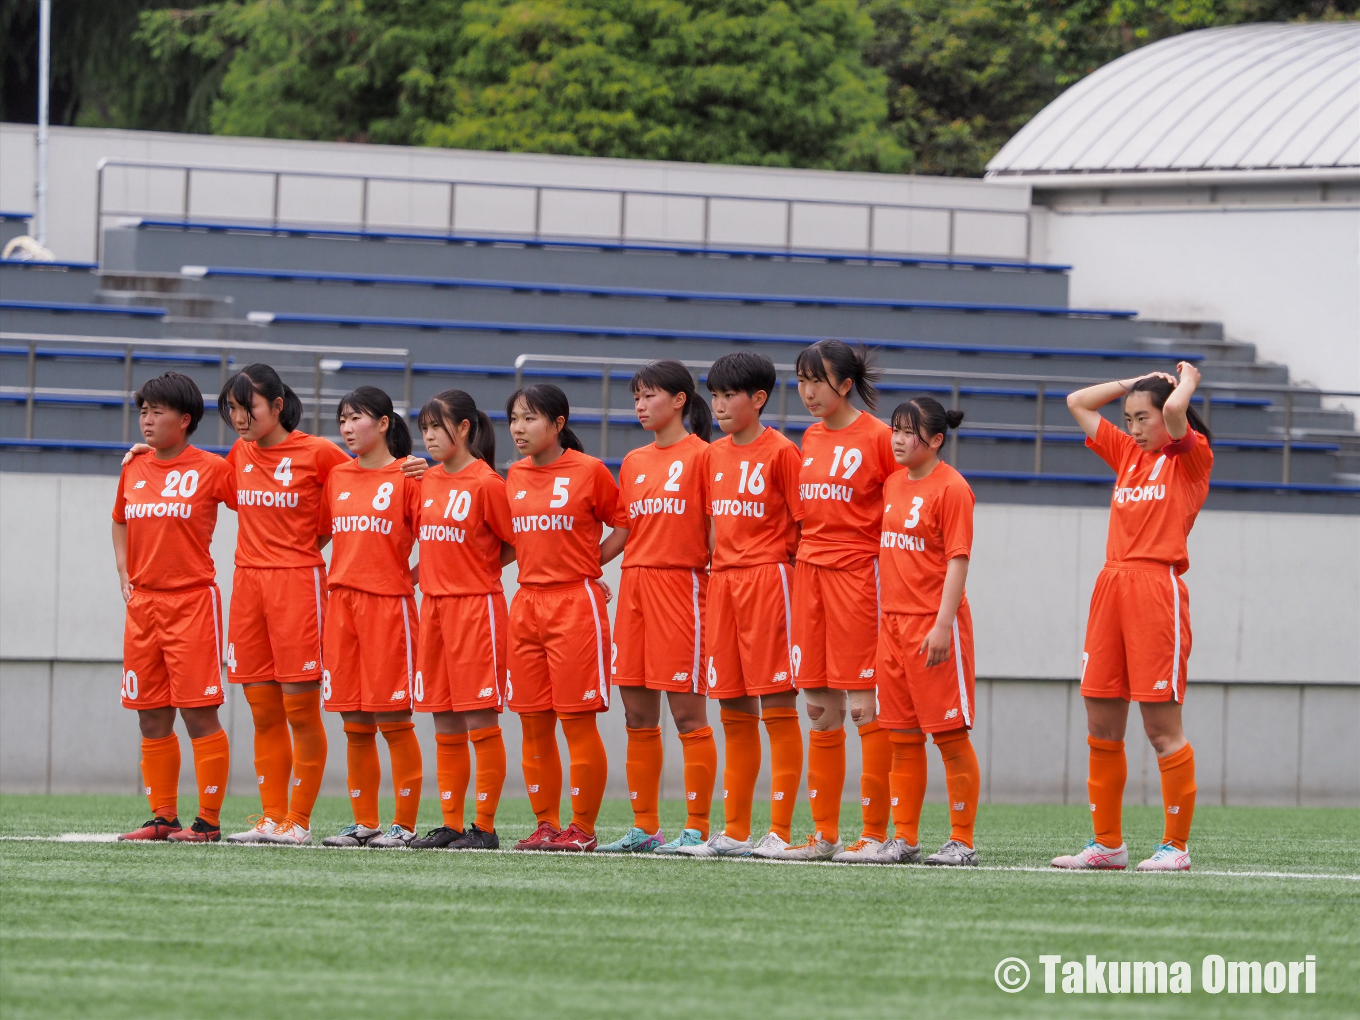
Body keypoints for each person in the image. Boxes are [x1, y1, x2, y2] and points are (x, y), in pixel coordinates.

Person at [1053, 363, 1213, 872]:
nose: (1133, 428)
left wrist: (1184, 382)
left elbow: (1173, 408)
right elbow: (1078, 400)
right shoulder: (1126, 454)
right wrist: (1132, 383)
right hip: (1111, 586)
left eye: (1142, 418)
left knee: (1161, 726)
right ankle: (1107, 845)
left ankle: (1175, 847)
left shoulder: (1191, 459)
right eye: (1128, 418)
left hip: (1154, 590)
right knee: (1101, 722)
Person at [214, 364, 349, 848]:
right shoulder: (239, 453)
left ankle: (299, 820)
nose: (238, 417)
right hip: (248, 586)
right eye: (230, 408)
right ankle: (271, 818)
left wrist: (301, 549)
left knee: (300, 710)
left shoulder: (319, 453)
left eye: (245, 406)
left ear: (276, 405)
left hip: (298, 586)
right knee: (261, 710)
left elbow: (357, 495)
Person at [678, 352, 804, 859]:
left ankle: (780, 831)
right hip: (722, 585)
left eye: (730, 395)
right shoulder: (711, 455)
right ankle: (734, 831)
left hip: (769, 582)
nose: (720, 404)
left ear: (758, 399)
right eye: (715, 394)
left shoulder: (783, 453)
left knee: (777, 707)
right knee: (732, 709)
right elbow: (710, 528)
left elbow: (801, 527)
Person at [779, 339, 899, 862]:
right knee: (819, 709)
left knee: (864, 708)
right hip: (810, 576)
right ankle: (823, 835)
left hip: (858, 578)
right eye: (801, 382)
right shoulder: (809, 435)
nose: (807, 393)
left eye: (816, 381)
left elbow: (903, 510)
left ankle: (874, 834)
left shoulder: (880, 438)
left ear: (845, 384)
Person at [596, 361, 718, 855]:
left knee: (688, 714)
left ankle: (697, 828)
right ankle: (644, 827)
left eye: (649, 396)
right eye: (636, 398)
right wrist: (579, 567)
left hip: (682, 589)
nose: (641, 406)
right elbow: (622, 533)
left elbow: (717, 532)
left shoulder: (706, 457)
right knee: (636, 715)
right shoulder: (634, 460)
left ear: (680, 400)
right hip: (635, 590)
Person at [112, 372, 233, 842]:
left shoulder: (211, 468)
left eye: (157, 411)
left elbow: (259, 504)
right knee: (150, 713)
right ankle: (163, 817)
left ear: (184, 420)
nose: (146, 419)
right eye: (143, 410)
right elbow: (120, 520)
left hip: (192, 604)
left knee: (198, 712)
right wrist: (124, 573)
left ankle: (208, 821)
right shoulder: (133, 467)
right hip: (143, 607)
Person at [503, 384, 620, 853]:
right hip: (526, 603)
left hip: (575, 604)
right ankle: (546, 824)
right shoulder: (512, 474)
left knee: (576, 721)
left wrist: (590, 566)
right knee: (533, 722)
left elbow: (625, 522)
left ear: (558, 424)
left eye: (529, 418)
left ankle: (583, 829)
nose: (518, 428)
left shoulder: (590, 471)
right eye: (514, 418)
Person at [873, 397, 981, 866]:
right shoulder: (893, 483)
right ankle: (905, 838)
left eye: (908, 431)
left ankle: (962, 840)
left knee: (950, 735)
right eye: (895, 428)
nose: (897, 438)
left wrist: (942, 625)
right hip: (892, 625)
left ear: (935, 440)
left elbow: (958, 560)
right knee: (901, 737)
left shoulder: (952, 487)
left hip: (933, 625)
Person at [317, 387, 425, 849]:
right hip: (341, 605)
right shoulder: (338, 475)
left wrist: (411, 576)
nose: (346, 427)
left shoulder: (411, 475)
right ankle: (365, 822)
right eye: (341, 419)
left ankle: (404, 825)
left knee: (394, 720)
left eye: (355, 418)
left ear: (383, 423)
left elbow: (442, 539)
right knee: (354, 722)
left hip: (388, 607)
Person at [407, 390, 514, 851]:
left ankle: (484, 827)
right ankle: (451, 823)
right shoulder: (426, 481)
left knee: (480, 721)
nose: (429, 436)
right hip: (433, 609)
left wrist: (482, 567)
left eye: (437, 426)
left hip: (476, 610)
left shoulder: (487, 483)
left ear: (465, 428)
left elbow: (515, 542)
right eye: (424, 428)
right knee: (444, 721)